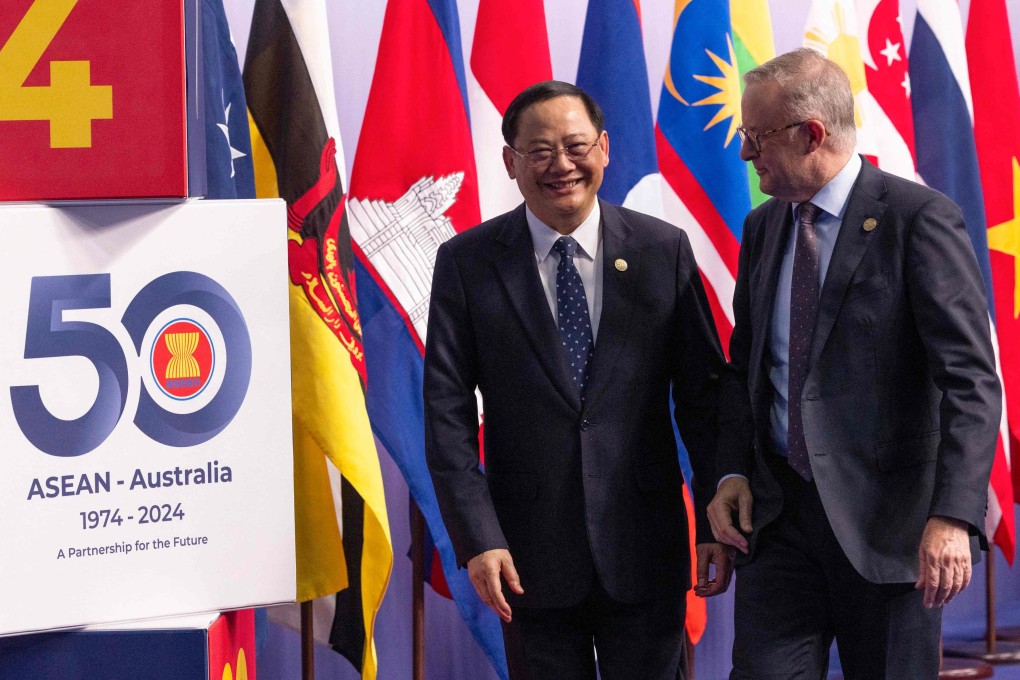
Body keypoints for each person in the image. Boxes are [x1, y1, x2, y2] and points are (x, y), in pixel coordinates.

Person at [424, 80, 733, 680]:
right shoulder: (467, 262)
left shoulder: (662, 250)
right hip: (526, 554)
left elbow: (703, 398)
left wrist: (714, 515)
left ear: (605, 149)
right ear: (509, 161)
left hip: (645, 546)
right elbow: (446, 412)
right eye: (539, 151)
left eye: (575, 146)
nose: (561, 165)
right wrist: (478, 536)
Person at [708, 48, 1001, 679]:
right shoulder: (763, 227)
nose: (745, 153)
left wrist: (953, 515)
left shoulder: (918, 219)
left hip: (889, 529)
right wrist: (731, 472)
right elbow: (745, 369)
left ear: (811, 134)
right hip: (779, 522)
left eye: (756, 136)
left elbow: (970, 381)